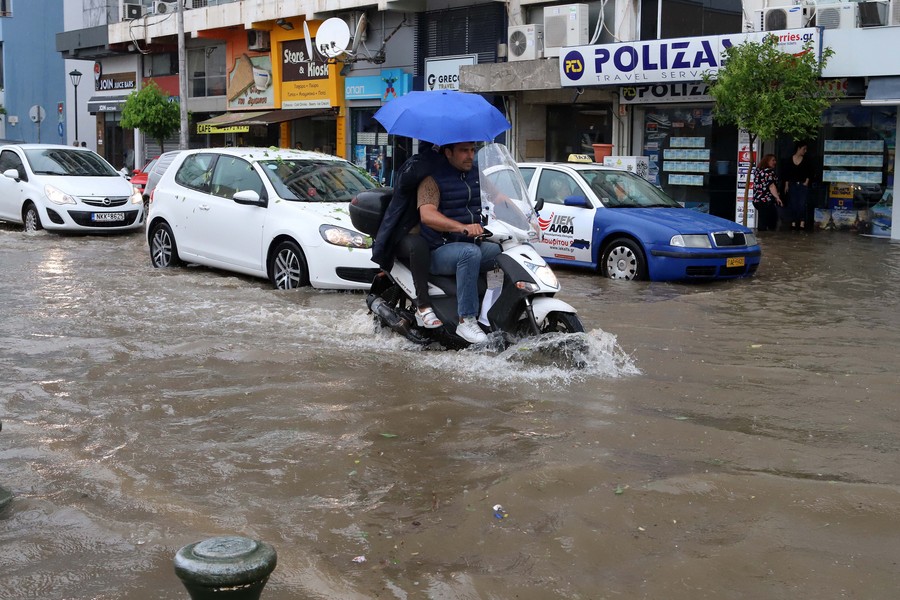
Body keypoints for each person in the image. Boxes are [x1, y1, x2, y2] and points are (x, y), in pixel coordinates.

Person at [417, 141, 502, 344]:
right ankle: (466, 320)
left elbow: (499, 198)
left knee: (502, 253)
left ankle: (499, 311)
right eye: (464, 151)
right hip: (440, 249)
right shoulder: (432, 180)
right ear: (448, 153)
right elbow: (427, 215)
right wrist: (461, 227)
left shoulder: (476, 175)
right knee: (470, 253)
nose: (470, 155)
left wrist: (527, 219)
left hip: (470, 243)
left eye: (473, 150)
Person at [371, 141, 443, 329]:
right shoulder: (416, 165)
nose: (468, 154)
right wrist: (435, 157)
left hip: (439, 232)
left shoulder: (462, 171)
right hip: (404, 231)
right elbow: (408, 179)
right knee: (418, 246)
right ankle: (423, 305)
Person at [781, 141, 813, 231]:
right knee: (793, 204)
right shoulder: (789, 160)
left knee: (802, 204)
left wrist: (806, 182)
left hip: (802, 185)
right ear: (798, 148)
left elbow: (809, 172)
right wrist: (786, 185)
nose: (805, 151)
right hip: (792, 184)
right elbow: (786, 173)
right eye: (804, 149)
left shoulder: (806, 160)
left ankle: (802, 222)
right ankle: (793, 222)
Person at [752, 154, 783, 232]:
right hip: (766, 200)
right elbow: (771, 186)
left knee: (763, 220)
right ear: (767, 161)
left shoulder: (758, 171)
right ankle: (767, 240)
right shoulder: (768, 172)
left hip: (757, 200)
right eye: (773, 160)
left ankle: (763, 239)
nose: (775, 162)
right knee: (771, 221)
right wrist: (777, 197)